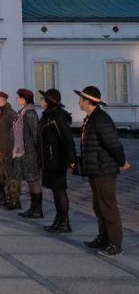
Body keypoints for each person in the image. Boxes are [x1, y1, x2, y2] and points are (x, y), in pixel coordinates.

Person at [76, 86, 130, 257]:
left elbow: (113, 143)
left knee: (108, 205)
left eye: (80, 99)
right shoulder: (91, 118)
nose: (78, 101)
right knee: (99, 205)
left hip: (104, 169)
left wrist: (122, 161)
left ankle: (115, 243)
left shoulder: (100, 119)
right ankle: (103, 237)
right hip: (95, 168)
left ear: (87, 101)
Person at [39, 89, 76, 233]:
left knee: (59, 190)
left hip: (57, 159)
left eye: (43, 99)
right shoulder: (48, 115)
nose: (41, 101)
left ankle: (64, 222)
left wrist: (72, 159)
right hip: (50, 158)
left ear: (48, 101)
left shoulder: (57, 115)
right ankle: (59, 219)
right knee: (56, 190)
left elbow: (67, 138)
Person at [14, 89, 43, 219]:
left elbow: (36, 135)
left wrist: (38, 154)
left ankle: (37, 209)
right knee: (30, 181)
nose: (16, 100)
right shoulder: (22, 112)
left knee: (33, 180)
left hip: (31, 152)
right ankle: (33, 207)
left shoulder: (30, 113)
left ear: (24, 99)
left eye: (18, 97)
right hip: (25, 152)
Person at [0, 91, 20, 209]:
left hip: (8, 150)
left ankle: (14, 199)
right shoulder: (2, 112)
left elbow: (16, 133)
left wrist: (14, 149)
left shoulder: (10, 114)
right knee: (4, 175)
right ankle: (8, 196)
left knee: (11, 175)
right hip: (2, 149)